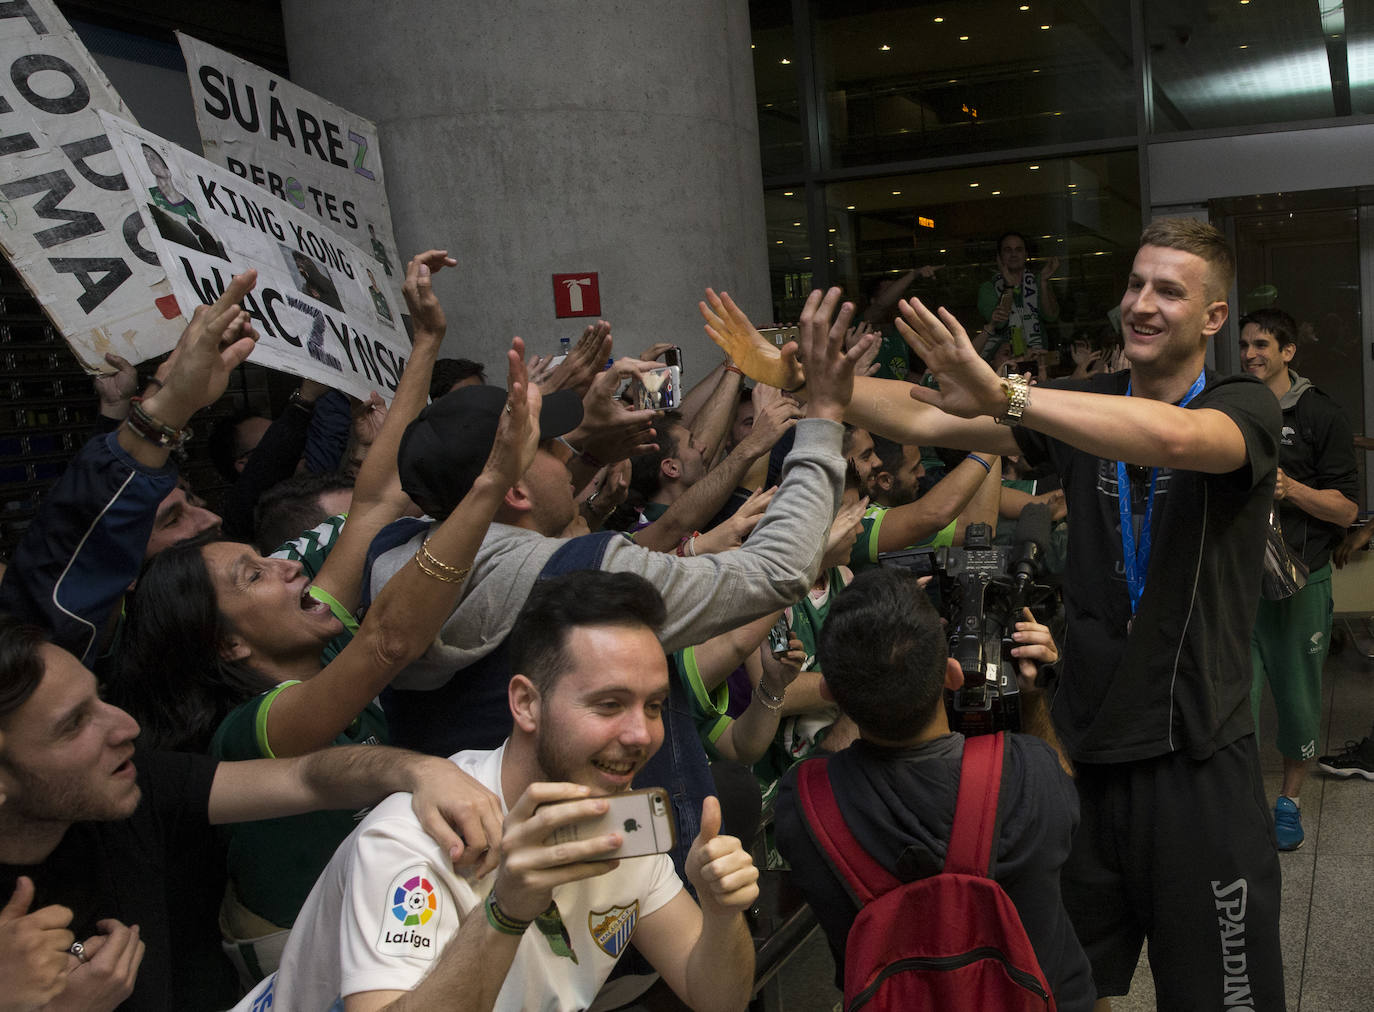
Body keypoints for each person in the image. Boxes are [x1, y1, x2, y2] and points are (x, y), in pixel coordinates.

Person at [705, 218, 1286, 1009]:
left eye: (1170, 292)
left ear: (1214, 317)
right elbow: (928, 417)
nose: (1142, 305)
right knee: (1058, 984)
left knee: (1223, 994)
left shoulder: (1240, 403)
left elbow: (1178, 440)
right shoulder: (1082, 402)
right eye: (1136, 285)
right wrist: (805, 382)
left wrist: (1012, 394)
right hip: (1084, 750)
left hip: (1195, 755)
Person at [236, 571, 760, 1012]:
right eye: (608, 705)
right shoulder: (409, 844)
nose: (641, 735)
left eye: (652, 706)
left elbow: (717, 998)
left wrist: (720, 914)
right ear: (526, 703)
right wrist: (505, 913)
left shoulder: (616, 819)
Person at [0, 618, 501, 1012]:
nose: (125, 726)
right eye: (73, 725)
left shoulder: (134, 782)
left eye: (100, 698)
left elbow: (304, 778)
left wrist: (420, 771)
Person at [774, 567, 1094, 1010]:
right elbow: (1062, 789)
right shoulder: (1029, 773)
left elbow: (830, 752)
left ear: (829, 692)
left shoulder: (804, 806)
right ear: (952, 674)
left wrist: (857, 689)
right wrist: (1034, 698)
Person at [1239, 307, 1358, 848]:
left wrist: (1292, 489)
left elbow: (1346, 510)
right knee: (1234, 697)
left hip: (1298, 581)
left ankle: (1288, 801)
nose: (1250, 355)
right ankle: (1235, 803)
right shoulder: (1232, 403)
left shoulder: (1320, 415)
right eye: (1244, 345)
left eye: (1262, 345)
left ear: (1288, 352)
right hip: (1237, 580)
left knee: (1297, 698)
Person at [844, 426, 1001, 568]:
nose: (877, 462)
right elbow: (977, 528)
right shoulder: (853, 524)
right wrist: (991, 434)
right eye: (866, 456)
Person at [975, 231, 1059, 359]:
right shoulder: (988, 287)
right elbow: (999, 323)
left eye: (1018, 250)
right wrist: (1009, 286)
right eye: (1008, 250)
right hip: (1003, 361)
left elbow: (1051, 316)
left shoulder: (1037, 281)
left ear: (1026, 255)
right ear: (999, 256)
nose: (1014, 254)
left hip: (1038, 357)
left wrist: (1043, 281)